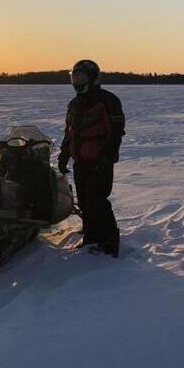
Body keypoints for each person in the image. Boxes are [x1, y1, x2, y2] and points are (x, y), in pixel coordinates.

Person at [57, 59, 125, 256]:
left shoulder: (107, 100)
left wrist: (106, 157)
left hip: (99, 162)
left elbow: (116, 131)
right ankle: (91, 237)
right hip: (81, 161)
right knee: (85, 202)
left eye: (81, 76)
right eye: (74, 76)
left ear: (93, 78)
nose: (77, 80)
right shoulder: (74, 103)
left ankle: (109, 242)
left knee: (98, 201)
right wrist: (64, 155)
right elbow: (69, 132)